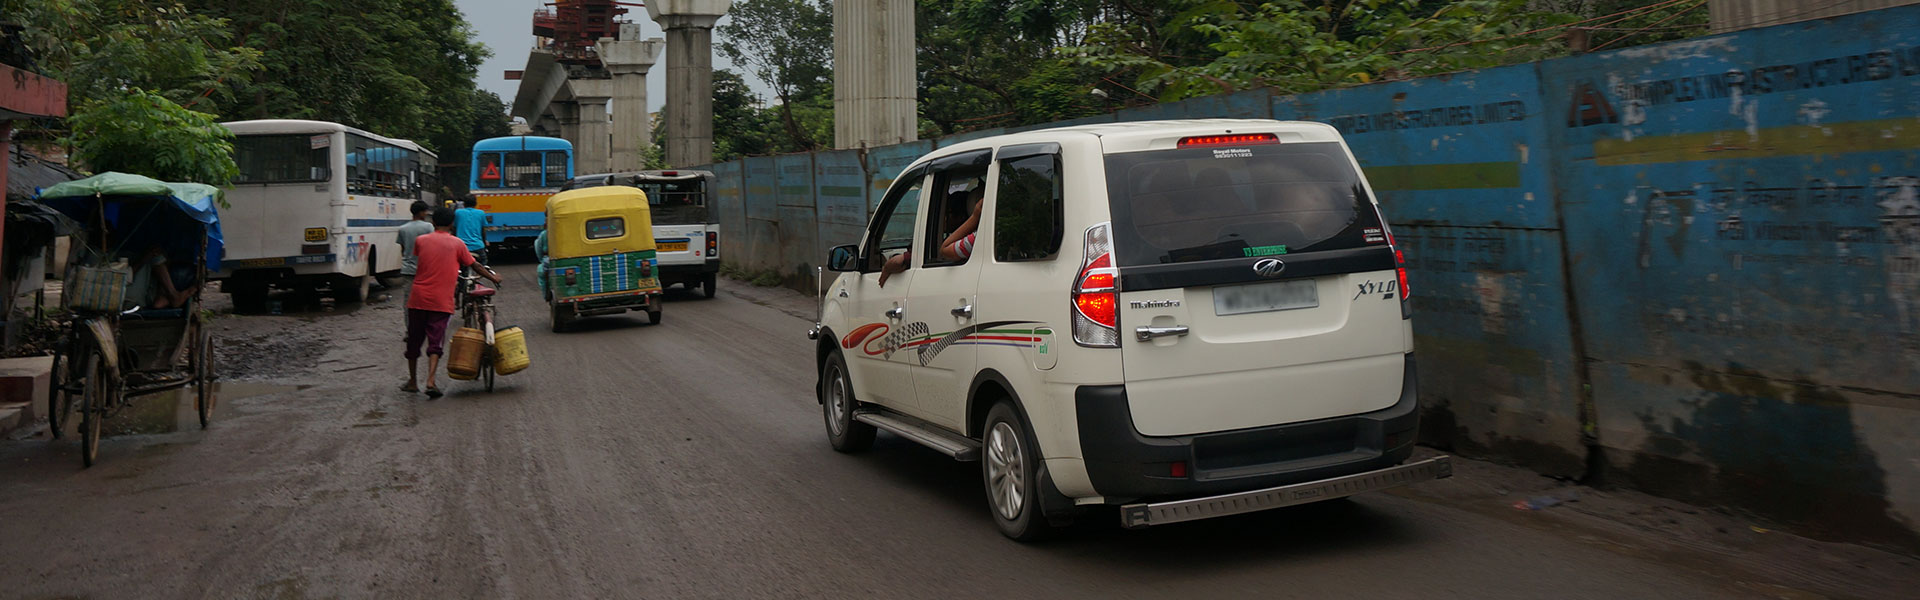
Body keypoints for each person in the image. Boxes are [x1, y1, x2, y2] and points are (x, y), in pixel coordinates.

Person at [403, 206, 502, 398]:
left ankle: (413, 381)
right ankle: (431, 381)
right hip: (441, 300)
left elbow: (420, 259)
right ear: (452, 224)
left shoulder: (421, 241)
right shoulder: (457, 244)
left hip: (418, 298)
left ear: (433, 223)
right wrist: (493, 278)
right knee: (436, 341)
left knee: (414, 341)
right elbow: (475, 265)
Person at [878, 184, 983, 287]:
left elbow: (944, 250)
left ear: (960, 217)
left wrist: (887, 268)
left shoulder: (973, 240)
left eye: (947, 212)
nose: (943, 218)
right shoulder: (985, 236)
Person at [123, 245, 199, 310]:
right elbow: (123, 278)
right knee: (155, 253)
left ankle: (169, 295)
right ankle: (173, 294)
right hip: (126, 296)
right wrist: (146, 258)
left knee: (155, 253)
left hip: (136, 297)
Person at [394, 200, 433, 307]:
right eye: (425, 212)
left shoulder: (403, 229)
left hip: (408, 269)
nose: (426, 214)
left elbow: (403, 250)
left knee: (409, 300)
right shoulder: (428, 227)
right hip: (425, 270)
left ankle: (409, 323)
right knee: (426, 300)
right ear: (421, 212)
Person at [453, 196, 489, 265]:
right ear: (475, 203)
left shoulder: (458, 212)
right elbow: (483, 231)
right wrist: (484, 243)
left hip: (461, 247)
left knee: (459, 267)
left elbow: (454, 229)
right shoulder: (481, 213)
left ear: (464, 204)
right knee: (483, 265)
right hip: (478, 246)